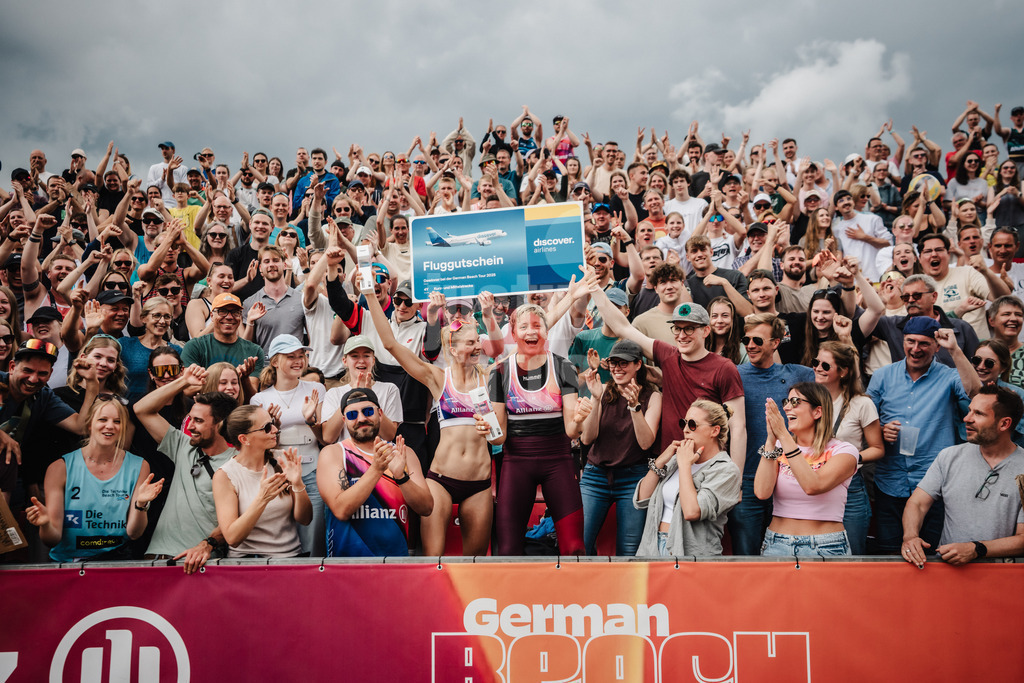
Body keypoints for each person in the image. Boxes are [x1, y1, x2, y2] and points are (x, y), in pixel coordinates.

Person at [364, 286, 491, 555]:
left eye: (478, 341)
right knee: (432, 561)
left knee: (477, 563)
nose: (478, 346)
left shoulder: (490, 376)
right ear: (453, 350)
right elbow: (390, 344)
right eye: (470, 343)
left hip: (480, 482)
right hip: (442, 479)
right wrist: (371, 296)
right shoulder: (437, 378)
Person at [590, 289, 746, 466]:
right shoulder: (667, 355)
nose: (681, 335)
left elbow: (738, 427)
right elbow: (622, 327)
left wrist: (735, 479)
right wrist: (594, 288)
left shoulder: (724, 368)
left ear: (706, 331)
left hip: (706, 462)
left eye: (689, 329)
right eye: (677, 329)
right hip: (668, 460)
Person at [867, 316, 981, 553]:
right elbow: (863, 421)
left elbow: (975, 392)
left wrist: (956, 350)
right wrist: (879, 430)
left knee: (931, 558)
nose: (915, 349)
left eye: (923, 343)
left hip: (933, 484)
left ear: (936, 346)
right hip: (890, 482)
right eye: (910, 341)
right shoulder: (882, 375)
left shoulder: (949, 375)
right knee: (889, 555)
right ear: (903, 340)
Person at [484, 303, 591, 556]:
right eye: (523, 327)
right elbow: (498, 436)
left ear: (546, 331)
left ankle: (570, 595)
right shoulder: (500, 372)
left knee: (574, 547)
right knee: (508, 549)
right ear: (513, 332)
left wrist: (580, 418)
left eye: (537, 326)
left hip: (559, 460)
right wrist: (486, 428)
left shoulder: (564, 367)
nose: (531, 332)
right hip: (516, 462)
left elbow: (572, 432)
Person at [25, 396, 164, 561]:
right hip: (69, 563)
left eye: (117, 421)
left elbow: (134, 533)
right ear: (90, 424)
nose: (110, 426)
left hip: (117, 560)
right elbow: (52, 538)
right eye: (102, 419)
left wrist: (141, 505)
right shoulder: (60, 467)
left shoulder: (139, 465)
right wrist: (45, 523)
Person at [902, 386, 1024, 567]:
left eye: (979, 414)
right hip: (949, 572)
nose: (967, 419)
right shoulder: (949, 456)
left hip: (1000, 576)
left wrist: (977, 549)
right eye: (969, 411)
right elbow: (917, 503)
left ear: (1004, 424)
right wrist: (911, 536)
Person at [133, 365, 238, 573]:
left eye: (198, 421)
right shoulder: (183, 446)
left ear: (221, 425)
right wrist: (183, 381)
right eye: (190, 419)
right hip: (157, 557)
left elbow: (236, 520)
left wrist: (208, 544)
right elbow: (141, 409)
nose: (189, 427)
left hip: (199, 565)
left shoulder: (237, 463)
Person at [729, 313, 816, 554]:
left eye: (757, 340)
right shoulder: (733, 373)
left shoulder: (801, 374)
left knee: (787, 556)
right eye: (746, 340)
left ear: (775, 343)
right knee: (746, 555)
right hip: (747, 477)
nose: (750, 345)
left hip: (789, 477)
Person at [318, 388, 433, 556]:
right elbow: (341, 510)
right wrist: (377, 469)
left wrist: (401, 477)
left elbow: (426, 508)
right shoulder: (334, 453)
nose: (361, 418)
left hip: (395, 563)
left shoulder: (403, 453)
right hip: (347, 566)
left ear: (380, 413)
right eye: (352, 415)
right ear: (344, 420)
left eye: (368, 411)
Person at [754, 383, 860, 556]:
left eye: (795, 401)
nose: (787, 408)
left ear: (817, 412)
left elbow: (813, 485)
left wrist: (783, 434)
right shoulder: (779, 446)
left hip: (826, 546)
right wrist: (771, 441)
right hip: (776, 544)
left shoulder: (844, 451)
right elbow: (761, 492)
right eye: (786, 402)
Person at [579, 339, 662, 556]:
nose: (617, 368)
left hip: (633, 478)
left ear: (638, 364)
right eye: (613, 363)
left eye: (624, 363)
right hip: (596, 475)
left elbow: (646, 442)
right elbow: (587, 439)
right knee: (580, 544)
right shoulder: (603, 389)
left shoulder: (652, 396)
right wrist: (596, 399)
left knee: (629, 551)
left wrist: (635, 407)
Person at [633, 399, 741, 556]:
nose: (685, 430)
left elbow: (691, 512)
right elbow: (641, 499)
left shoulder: (726, 470)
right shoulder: (678, 459)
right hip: (653, 548)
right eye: (683, 423)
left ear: (715, 431)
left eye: (692, 424)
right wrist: (660, 462)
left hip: (690, 555)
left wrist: (685, 466)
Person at [250, 334, 325, 556]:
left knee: (313, 539)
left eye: (301, 355)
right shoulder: (259, 399)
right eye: (291, 356)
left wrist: (311, 420)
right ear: (274, 361)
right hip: (277, 475)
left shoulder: (316, 390)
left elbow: (325, 438)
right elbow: (257, 446)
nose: (298, 360)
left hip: (312, 471)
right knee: (280, 537)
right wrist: (274, 428)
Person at [213, 405, 312, 558]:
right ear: (244, 439)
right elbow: (232, 538)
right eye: (266, 427)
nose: (275, 429)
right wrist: (262, 499)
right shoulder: (225, 475)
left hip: (289, 558)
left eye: (272, 423)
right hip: (249, 564)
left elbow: (305, 519)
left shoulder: (282, 460)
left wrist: (298, 483)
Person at [814, 341, 884, 554]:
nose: (817, 368)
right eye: (816, 362)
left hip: (849, 486)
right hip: (815, 483)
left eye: (825, 366)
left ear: (843, 371)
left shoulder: (861, 404)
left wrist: (850, 459)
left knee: (851, 554)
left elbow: (878, 448)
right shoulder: (808, 399)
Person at [180, 293, 266, 393]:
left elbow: (252, 397)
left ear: (240, 317)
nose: (229, 317)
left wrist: (244, 378)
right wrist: (232, 378)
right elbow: (188, 390)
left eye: (235, 312)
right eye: (222, 311)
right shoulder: (195, 346)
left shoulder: (254, 351)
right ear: (212, 316)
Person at [120, 297, 178, 402]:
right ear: (143, 318)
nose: (162, 321)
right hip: (127, 410)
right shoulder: (125, 345)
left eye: (167, 317)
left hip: (161, 409)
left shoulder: (176, 351)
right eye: (157, 315)